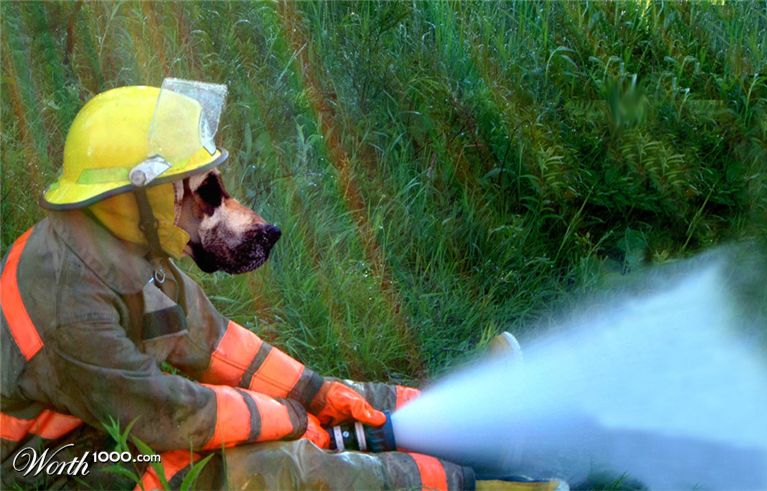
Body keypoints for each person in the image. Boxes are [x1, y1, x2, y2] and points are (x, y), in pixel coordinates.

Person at [2, 79, 549, 490]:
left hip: (110, 417)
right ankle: (478, 486)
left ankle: (483, 426)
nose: (210, 206)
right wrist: (288, 420)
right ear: (135, 197)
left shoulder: (122, 244)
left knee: (332, 403)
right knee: (262, 468)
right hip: (53, 464)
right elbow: (169, 414)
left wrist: (315, 393)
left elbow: (217, 344)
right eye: (193, 190)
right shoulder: (69, 304)